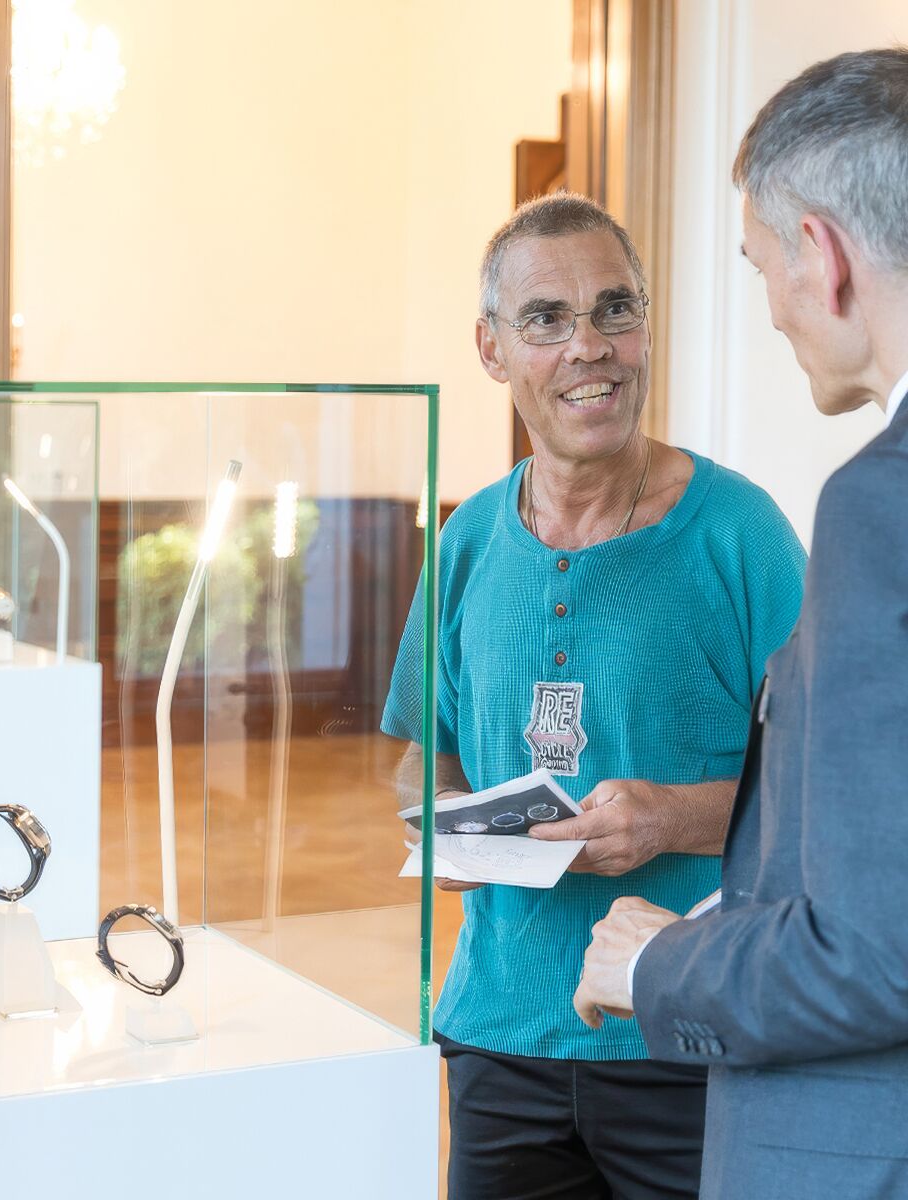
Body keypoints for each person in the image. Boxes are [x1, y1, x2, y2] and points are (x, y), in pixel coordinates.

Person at [382, 192, 806, 1199]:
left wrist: (674, 815)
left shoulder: (741, 537)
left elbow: (834, 797)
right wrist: (444, 833)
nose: (591, 347)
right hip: (496, 1034)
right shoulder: (470, 541)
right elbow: (420, 756)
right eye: (548, 320)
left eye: (617, 311)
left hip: (687, 1029)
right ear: (492, 350)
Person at [575, 47, 908, 1199]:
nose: (769, 309)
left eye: (760, 264)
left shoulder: (876, 505)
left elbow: (876, 954)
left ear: (821, 254)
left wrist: (662, 959)